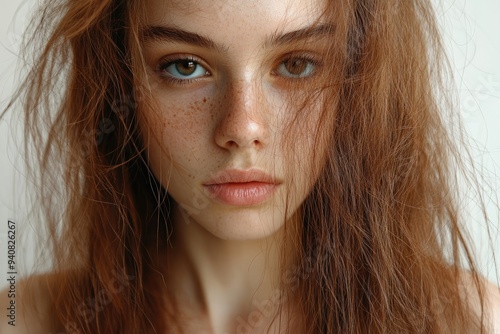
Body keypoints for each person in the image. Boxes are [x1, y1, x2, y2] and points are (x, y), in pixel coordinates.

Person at [1, 0, 499, 333]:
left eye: (297, 64)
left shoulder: (472, 321)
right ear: (119, 82)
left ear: (360, 84)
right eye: (184, 65)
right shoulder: (20, 320)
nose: (243, 127)